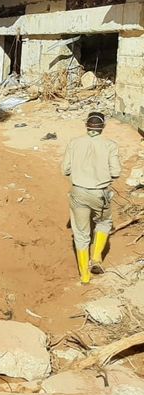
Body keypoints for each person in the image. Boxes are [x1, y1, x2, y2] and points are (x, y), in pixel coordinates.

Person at [61, 112, 121, 284]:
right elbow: (116, 172)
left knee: (80, 234)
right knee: (104, 222)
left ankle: (85, 276)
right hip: (100, 193)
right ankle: (96, 259)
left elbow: (65, 169)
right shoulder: (110, 145)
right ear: (103, 126)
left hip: (78, 192)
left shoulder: (74, 143)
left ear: (86, 125)